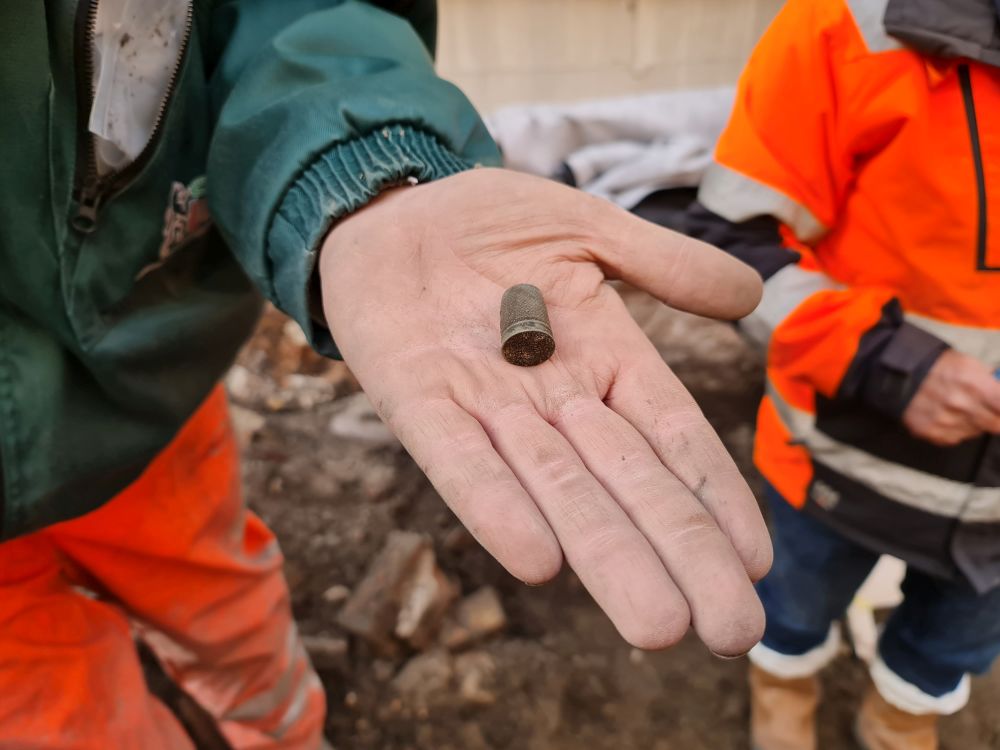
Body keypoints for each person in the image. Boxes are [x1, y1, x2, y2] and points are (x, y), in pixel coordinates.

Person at [0, 1, 772, 747]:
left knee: (225, 599)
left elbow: (286, 15)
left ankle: (286, 733)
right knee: (65, 718)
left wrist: (355, 170)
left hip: (143, 390)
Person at [684, 0, 1000, 748]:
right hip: (840, 456)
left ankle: (899, 724)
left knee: (950, 648)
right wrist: (891, 364)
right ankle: (782, 699)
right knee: (789, 609)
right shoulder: (849, 25)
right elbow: (735, 245)